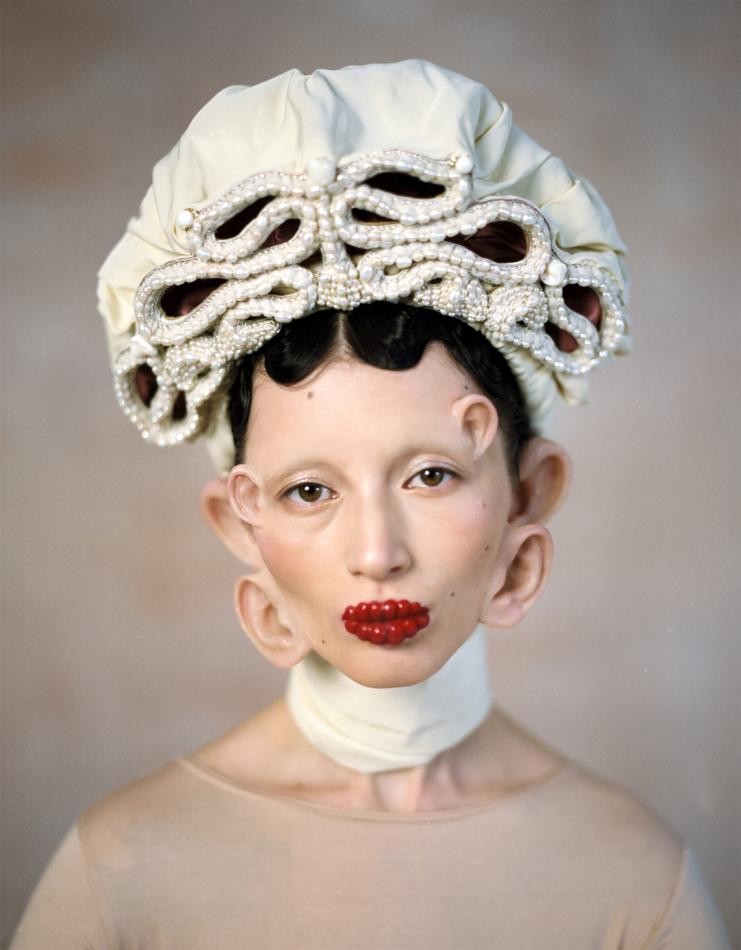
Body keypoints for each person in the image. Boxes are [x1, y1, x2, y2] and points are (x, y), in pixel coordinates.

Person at [11, 60, 730, 949]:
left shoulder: (633, 876)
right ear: (241, 524)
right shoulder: (122, 870)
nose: (377, 552)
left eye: (430, 475)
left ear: (529, 499)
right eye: (309, 490)